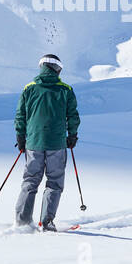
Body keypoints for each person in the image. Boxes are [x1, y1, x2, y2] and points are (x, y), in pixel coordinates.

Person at [13, 54, 80, 230]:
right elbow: (72, 116)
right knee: (54, 182)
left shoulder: (29, 88)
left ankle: (22, 222)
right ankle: (47, 221)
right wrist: (72, 136)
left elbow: (21, 115)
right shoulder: (66, 90)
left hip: (33, 143)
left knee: (30, 180)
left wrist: (20, 137)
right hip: (56, 144)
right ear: (57, 68)